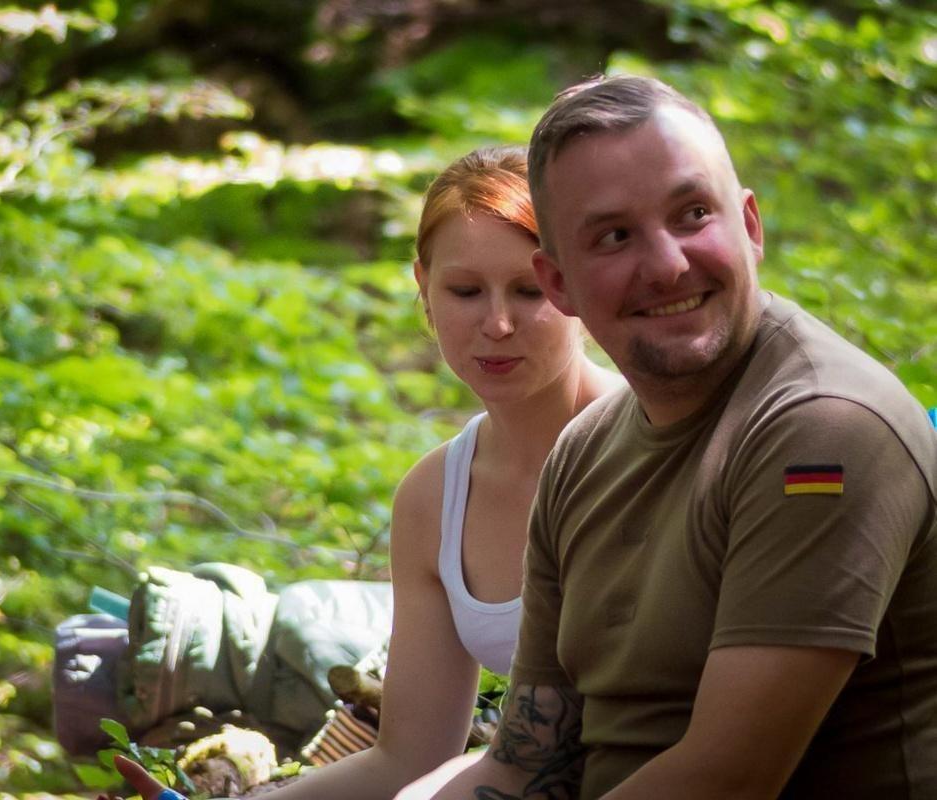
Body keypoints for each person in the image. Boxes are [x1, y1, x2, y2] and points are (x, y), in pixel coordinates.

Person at [411, 74, 937, 800]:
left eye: (692, 214)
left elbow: (728, 777)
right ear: (559, 282)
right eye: (614, 236)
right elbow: (527, 763)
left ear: (750, 226)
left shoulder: (822, 429)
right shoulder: (584, 452)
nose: (666, 265)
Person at [96, 146, 621, 800]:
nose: (496, 323)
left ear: (575, 285)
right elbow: (407, 757)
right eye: (465, 291)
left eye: (528, 290)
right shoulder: (435, 498)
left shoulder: (647, 441)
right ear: (424, 289)